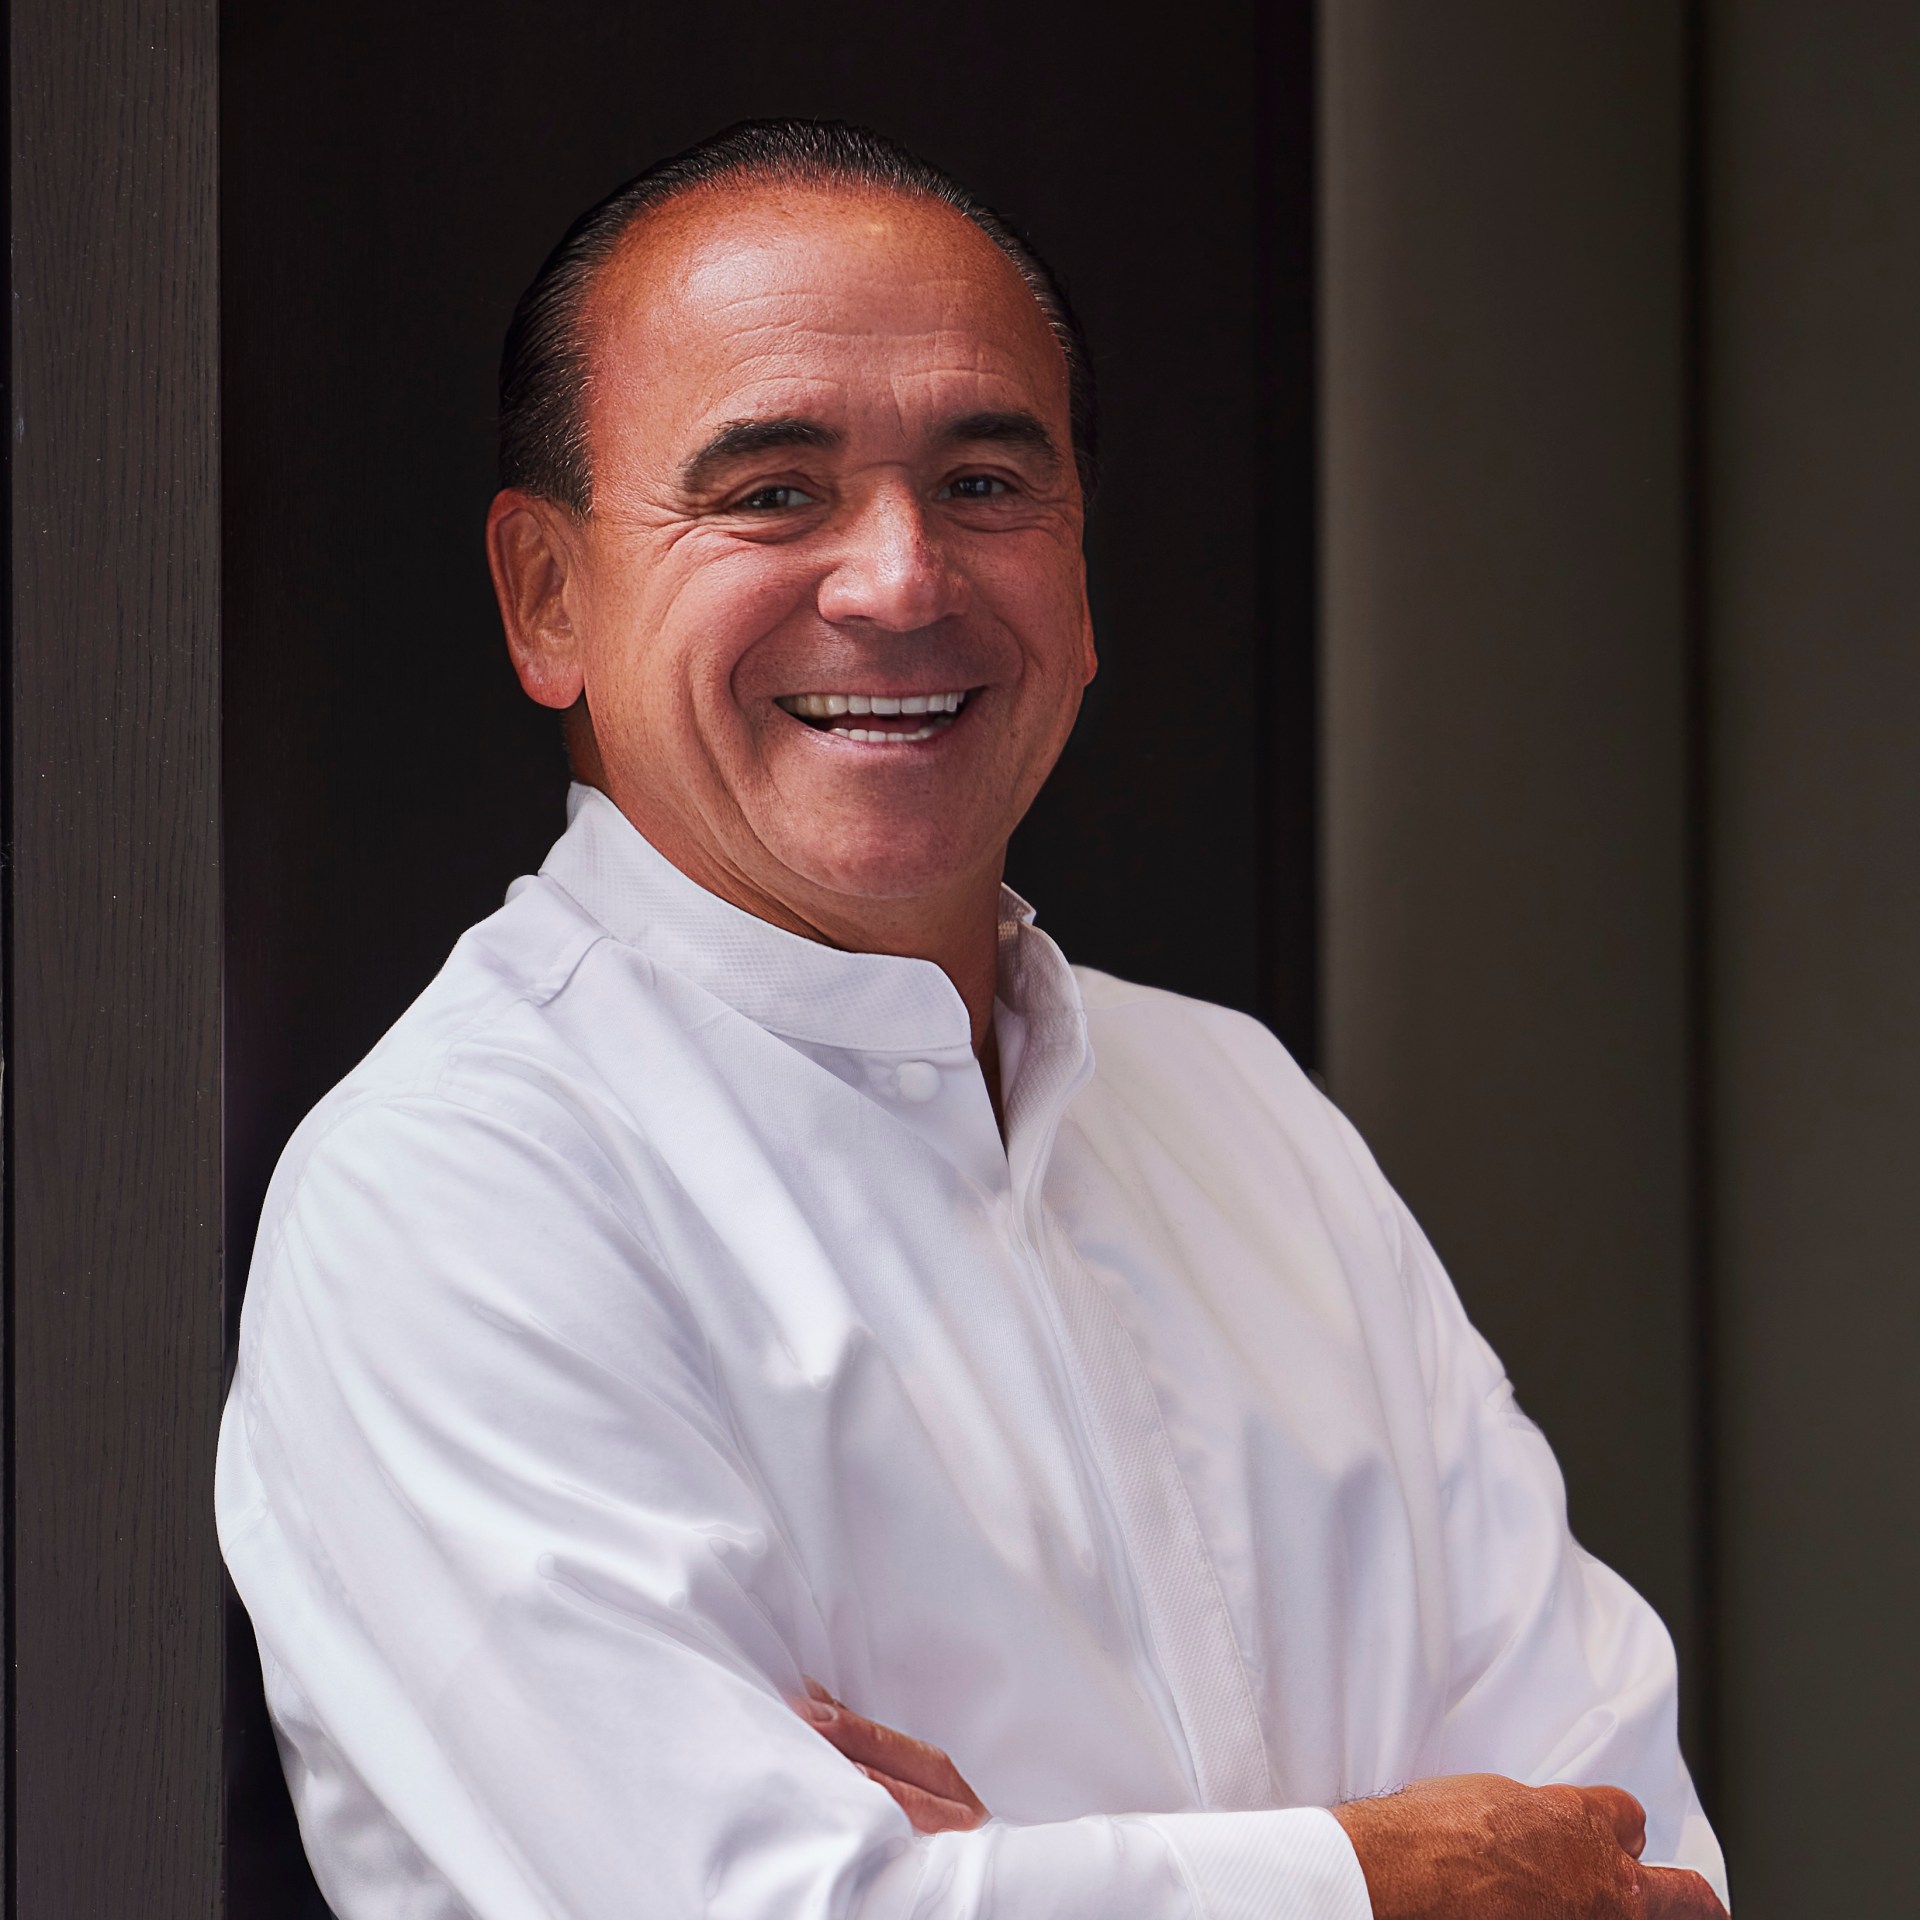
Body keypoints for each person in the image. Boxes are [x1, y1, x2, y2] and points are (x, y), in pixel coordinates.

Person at [216, 120, 1730, 1920]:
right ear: (549, 595)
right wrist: (1391, 1876)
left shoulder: (1240, 1112)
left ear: (1083, 578)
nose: (900, 578)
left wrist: (1026, 1881)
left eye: (990, 483)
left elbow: (1649, 1871)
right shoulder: (455, 1196)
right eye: (771, 490)